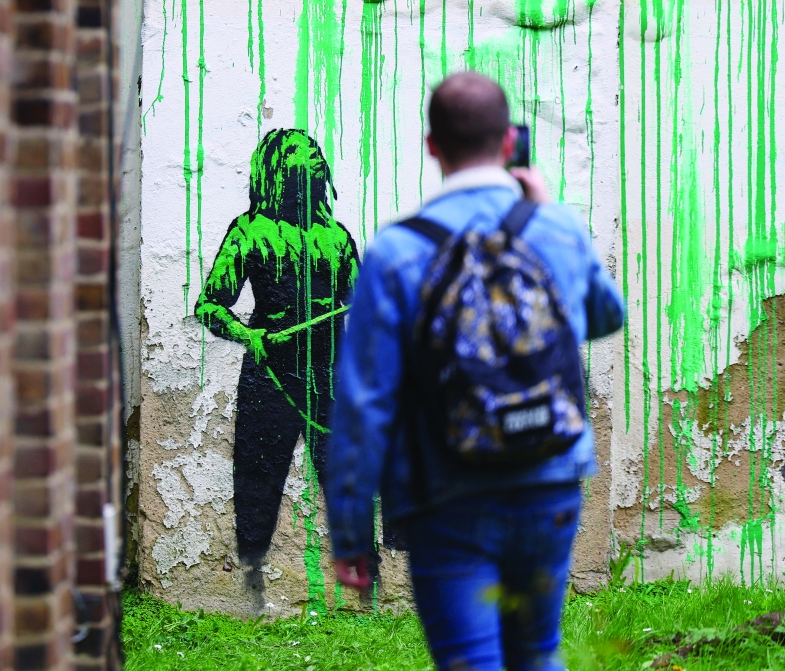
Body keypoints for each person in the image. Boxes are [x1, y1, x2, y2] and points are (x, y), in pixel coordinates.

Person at [325, 72, 624, 670]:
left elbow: (364, 404)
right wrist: (542, 212)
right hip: (549, 477)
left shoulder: (396, 251)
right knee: (537, 653)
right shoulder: (555, 227)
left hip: (446, 489)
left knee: (469, 661)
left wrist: (352, 531)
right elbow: (603, 315)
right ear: (509, 142)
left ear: (432, 145)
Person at [195, 129, 360, 596]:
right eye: (294, 157)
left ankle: (360, 585)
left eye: (313, 156)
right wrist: (249, 334)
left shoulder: (336, 237)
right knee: (258, 483)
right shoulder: (249, 232)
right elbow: (210, 306)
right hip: (270, 378)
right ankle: (250, 583)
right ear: (274, 171)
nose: (307, 163)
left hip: (332, 381)